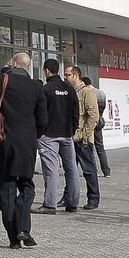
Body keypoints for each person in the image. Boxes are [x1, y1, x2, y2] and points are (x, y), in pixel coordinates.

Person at [0, 52, 46, 248]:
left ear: (14, 64)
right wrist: (32, 135)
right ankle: (23, 227)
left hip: (2, 143)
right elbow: (43, 121)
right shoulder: (36, 86)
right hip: (26, 145)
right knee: (27, 186)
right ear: (27, 66)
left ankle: (13, 239)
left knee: (6, 189)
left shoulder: (1, 79)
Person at [37, 58, 81, 213]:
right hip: (67, 134)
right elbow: (76, 113)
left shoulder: (45, 89)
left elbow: (40, 114)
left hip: (49, 135)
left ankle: (50, 204)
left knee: (51, 169)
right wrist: (72, 129)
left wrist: (39, 132)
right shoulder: (69, 89)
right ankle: (73, 203)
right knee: (72, 169)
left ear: (46, 70)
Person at [68, 65, 100, 210]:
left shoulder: (87, 92)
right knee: (70, 169)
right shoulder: (70, 92)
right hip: (71, 137)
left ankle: (93, 198)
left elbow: (93, 116)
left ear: (75, 76)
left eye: (67, 74)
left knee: (88, 170)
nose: (65, 77)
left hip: (84, 139)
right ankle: (68, 197)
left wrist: (83, 135)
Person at [82, 76, 112, 178]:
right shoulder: (101, 93)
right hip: (99, 121)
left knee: (90, 147)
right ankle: (106, 171)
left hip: (90, 122)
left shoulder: (88, 93)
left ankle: (93, 170)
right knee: (100, 147)